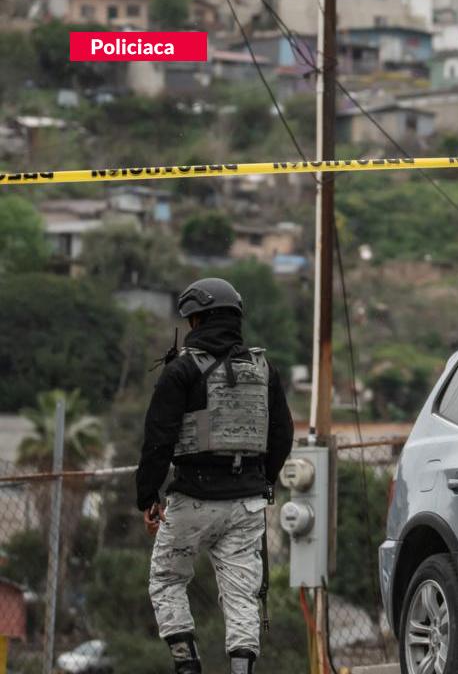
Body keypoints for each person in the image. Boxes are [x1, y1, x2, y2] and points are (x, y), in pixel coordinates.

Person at [136, 278, 294, 674]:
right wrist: (264, 479)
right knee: (242, 594)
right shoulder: (264, 369)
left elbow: (158, 438)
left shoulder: (181, 371)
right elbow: (283, 434)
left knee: (168, 580)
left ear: (197, 321)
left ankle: (188, 666)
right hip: (247, 503)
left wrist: (148, 497)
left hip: (193, 499)